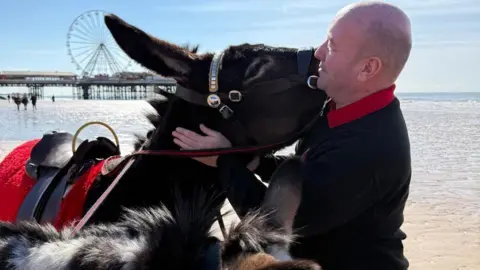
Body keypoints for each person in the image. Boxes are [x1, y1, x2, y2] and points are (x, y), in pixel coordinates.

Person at [172, 1, 412, 269]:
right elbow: (305, 174)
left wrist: (222, 161)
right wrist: (254, 162)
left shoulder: (369, 148)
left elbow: (273, 227)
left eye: (332, 46)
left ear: (367, 68)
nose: (318, 53)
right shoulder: (342, 108)